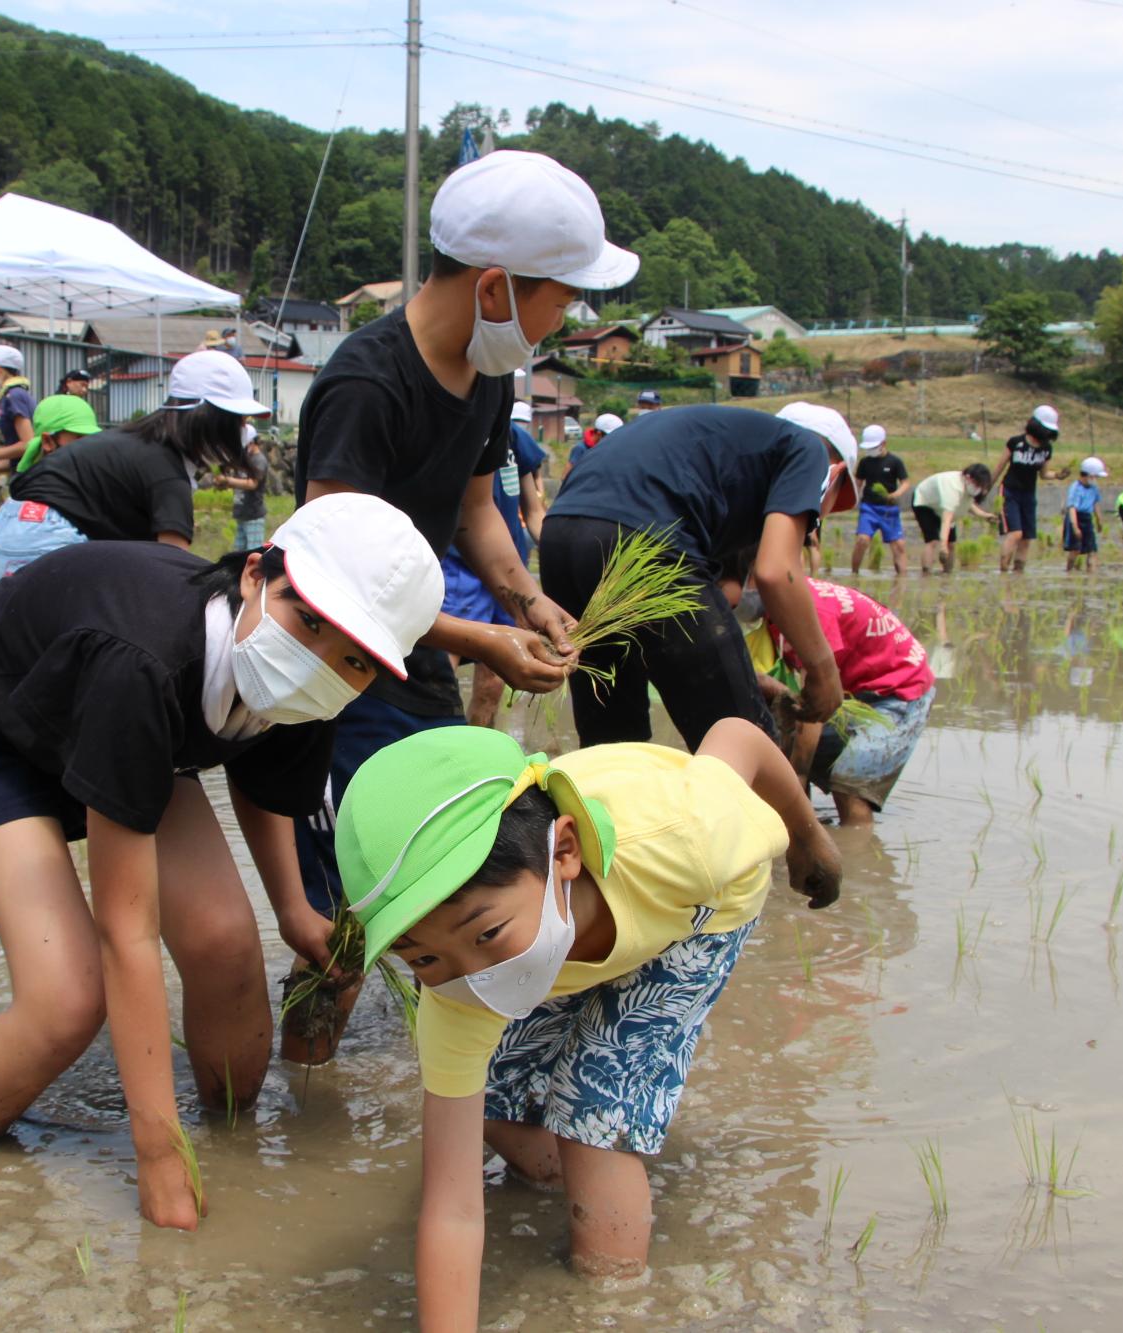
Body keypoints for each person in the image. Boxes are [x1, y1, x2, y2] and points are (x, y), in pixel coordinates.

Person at [0, 493, 444, 1230]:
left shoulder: (311, 690)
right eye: (307, 619)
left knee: (225, 939)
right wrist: (157, 1155)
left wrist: (293, 913)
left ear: (374, 673)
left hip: (129, 729)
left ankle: (234, 1135)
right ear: (255, 573)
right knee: (67, 999)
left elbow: (265, 782)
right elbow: (126, 930)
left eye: (352, 656)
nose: (315, 660)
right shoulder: (143, 662)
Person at [289, 150, 635, 1059]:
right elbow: (330, 586)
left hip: (414, 666)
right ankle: (298, 1089)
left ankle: (436, 1065)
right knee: (350, 914)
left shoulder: (487, 376)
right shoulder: (368, 387)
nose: (565, 321)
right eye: (560, 297)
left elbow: (477, 512)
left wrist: (526, 599)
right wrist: (479, 638)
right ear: (494, 287)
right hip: (334, 680)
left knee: (453, 875)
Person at [334, 720, 840, 1321]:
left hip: (693, 910)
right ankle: (562, 1180)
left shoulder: (689, 832)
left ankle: (613, 1299)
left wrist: (810, 840)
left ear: (565, 852)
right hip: (566, 927)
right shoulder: (454, 985)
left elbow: (737, 737)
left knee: (593, 1109)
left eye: (486, 933)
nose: (469, 975)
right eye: (421, 957)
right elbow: (453, 1206)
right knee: (493, 1102)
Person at [542, 401, 857, 749]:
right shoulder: (808, 449)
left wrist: (741, 677)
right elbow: (777, 573)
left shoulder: (722, 451)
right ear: (836, 474)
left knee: (615, 742)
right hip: (642, 540)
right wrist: (823, 670)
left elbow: (708, 620)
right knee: (745, 743)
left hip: (560, 536)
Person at [0, 349, 262, 584]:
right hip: (42, 540)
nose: (243, 429)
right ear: (208, 420)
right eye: (238, 420)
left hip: (10, 526)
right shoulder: (166, 472)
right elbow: (174, 570)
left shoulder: (135, 441)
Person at [728, 573, 934, 826]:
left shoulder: (807, 612)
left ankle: (856, 853)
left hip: (899, 691)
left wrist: (797, 781)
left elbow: (815, 706)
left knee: (850, 783)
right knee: (779, 738)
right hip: (851, 693)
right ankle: (806, 824)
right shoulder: (779, 603)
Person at [442, 401, 551, 728]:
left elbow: (533, 511)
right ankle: (435, 750)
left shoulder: (516, 440)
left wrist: (556, 549)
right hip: (458, 567)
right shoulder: (455, 431)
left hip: (508, 574)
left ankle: (476, 752)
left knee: (494, 679)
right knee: (441, 671)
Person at [989, 405, 1070, 573]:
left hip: (1028, 494)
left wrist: (1058, 475)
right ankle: (1003, 572)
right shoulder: (1016, 443)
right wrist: (985, 489)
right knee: (1016, 533)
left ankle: (1018, 574)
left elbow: (1044, 474)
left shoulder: (1046, 448)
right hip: (1009, 491)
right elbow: (999, 468)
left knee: (1026, 538)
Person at [909, 464, 996, 574]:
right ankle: (926, 575)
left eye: (981, 486)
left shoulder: (968, 487)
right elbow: (947, 519)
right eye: (977, 484)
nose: (978, 488)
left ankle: (947, 575)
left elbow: (967, 503)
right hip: (924, 501)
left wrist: (984, 515)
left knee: (952, 545)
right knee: (932, 541)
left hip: (941, 506)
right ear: (968, 478)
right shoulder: (953, 487)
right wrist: (943, 545)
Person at [849, 424, 909, 576]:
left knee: (899, 545)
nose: (871, 451)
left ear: (883, 444)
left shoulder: (894, 462)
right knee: (862, 540)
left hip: (889, 510)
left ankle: (902, 579)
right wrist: (853, 499)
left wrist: (896, 494)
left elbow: (905, 482)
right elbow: (858, 482)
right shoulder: (865, 462)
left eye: (874, 447)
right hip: (869, 508)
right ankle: (854, 574)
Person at [215, 422, 270, 552]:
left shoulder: (259, 460)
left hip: (253, 515)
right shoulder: (244, 460)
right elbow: (237, 480)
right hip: (241, 513)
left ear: (252, 443)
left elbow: (252, 484)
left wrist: (228, 480)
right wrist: (224, 483)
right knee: (239, 553)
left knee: (252, 552)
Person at [1062, 456, 1107, 573]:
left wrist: (1099, 520)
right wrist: (1075, 527)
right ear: (1089, 475)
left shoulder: (1094, 488)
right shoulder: (1075, 488)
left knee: (1091, 549)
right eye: (1096, 476)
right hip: (1075, 517)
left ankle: (1090, 573)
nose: (1096, 479)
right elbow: (1072, 508)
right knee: (1075, 548)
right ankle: (1069, 571)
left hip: (1087, 518)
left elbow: (1095, 503)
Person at [562, 410, 622, 477]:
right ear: (599, 433)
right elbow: (565, 476)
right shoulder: (581, 449)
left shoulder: (608, 449)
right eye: (610, 436)